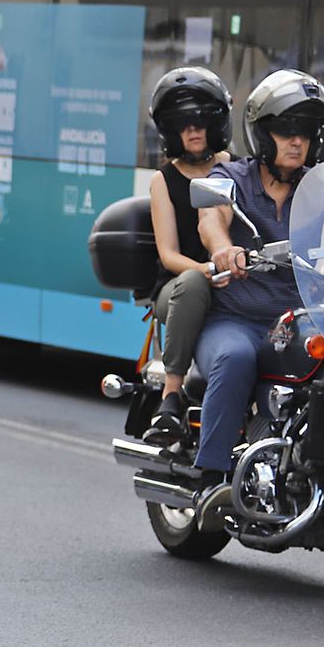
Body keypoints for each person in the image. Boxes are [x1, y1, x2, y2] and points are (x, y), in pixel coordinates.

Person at [193, 70, 324, 493]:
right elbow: (211, 217)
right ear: (262, 135)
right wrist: (221, 248)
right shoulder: (232, 178)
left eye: (304, 133)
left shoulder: (320, 189)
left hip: (297, 323)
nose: (296, 142)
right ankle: (212, 477)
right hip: (236, 321)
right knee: (235, 357)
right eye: (286, 130)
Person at [143, 67, 233, 446]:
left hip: (234, 279)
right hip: (180, 288)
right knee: (193, 283)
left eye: (200, 122)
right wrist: (206, 270)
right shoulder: (163, 180)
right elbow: (167, 255)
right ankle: (171, 397)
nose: (193, 131)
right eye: (183, 125)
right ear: (171, 132)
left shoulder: (234, 166)